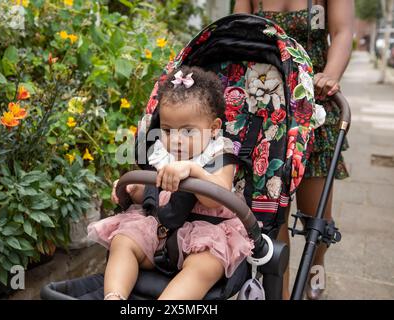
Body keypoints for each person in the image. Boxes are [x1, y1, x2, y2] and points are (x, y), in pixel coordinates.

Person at [87, 66, 255, 300]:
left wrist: (194, 170)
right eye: (167, 130)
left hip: (207, 235)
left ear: (214, 128)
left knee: (205, 266)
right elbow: (150, 195)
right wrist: (132, 189)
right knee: (123, 241)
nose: (175, 139)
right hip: (158, 233)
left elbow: (214, 195)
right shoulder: (160, 154)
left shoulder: (220, 155)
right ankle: (114, 296)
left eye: (188, 131)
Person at [233, 0, 354, 299]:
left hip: (314, 103)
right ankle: (281, 293)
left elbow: (342, 31)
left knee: (316, 218)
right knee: (274, 215)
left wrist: (331, 75)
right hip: (267, 107)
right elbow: (238, 33)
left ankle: (317, 268)